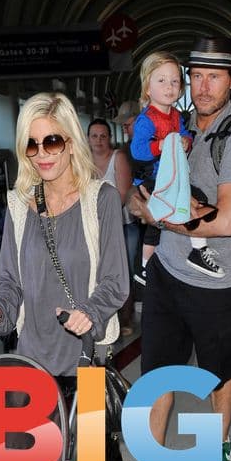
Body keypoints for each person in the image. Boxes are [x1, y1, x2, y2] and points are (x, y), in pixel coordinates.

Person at [0, 92, 130, 461]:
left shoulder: (102, 200)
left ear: (71, 141)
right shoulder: (20, 205)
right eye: (31, 145)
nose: (41, 155)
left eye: (51, 142)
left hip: (84, 348)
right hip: (32, 351)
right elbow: (10, 284)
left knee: (96, 445)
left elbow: (116, 282)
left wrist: (89, 314)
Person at [127, 35, 231, 461]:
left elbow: (225, 223)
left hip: (217, 280)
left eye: (214, 76)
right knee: (157, 370)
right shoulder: (178, 126)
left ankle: (215, 445)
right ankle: (151, 458)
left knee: (218, 370)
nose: (203, 86)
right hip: (168, 270)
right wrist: (138, 200)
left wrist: (161, 215)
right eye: (196, 76)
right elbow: (143, 185)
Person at [130, 51, 224, 286]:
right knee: (185, 204)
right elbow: (137, 150)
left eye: (174, 81)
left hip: (171, 176)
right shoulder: (146, 119)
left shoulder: (175, 115)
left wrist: (186, 141)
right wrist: (160, 145)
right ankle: (152, 264)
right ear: (148, 88)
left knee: (168, 217)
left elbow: (183, 135)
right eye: (161, 81)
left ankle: (153, 264)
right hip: (153, 178)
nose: (169, 87)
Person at [87, 117, 134, 335]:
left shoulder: (119, 158)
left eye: (103, 136)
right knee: (97, 276)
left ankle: (125, 320)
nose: (98, 140)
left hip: (122, 227)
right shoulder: (83, 161)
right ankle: (101, 320)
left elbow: (122, 195)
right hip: (93, 230)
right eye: (94, 136)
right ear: (88, 139)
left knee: (123, 273)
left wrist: (102, 221)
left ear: (110, 138)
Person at [112, 101, 143, 312]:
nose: (124, 127)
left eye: (127, 123)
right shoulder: (125, 150)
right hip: (135, 215)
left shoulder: (144, 147)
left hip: (142, 216)